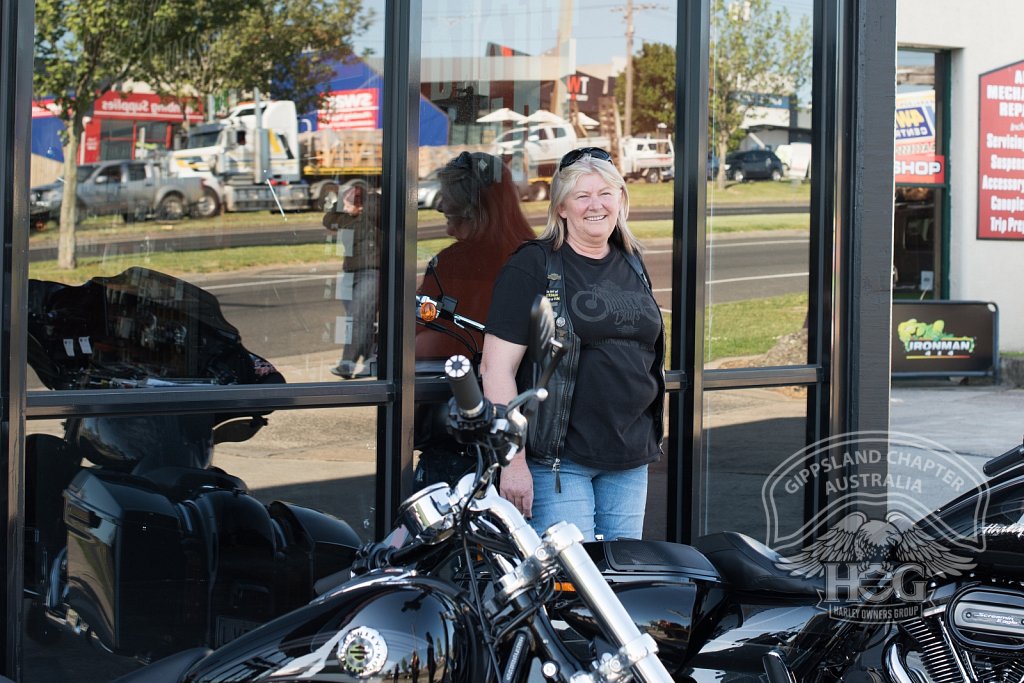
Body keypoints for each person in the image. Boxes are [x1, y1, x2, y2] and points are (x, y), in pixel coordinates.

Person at [480, 147, 665, 541]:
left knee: (618, 584)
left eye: (605, 194)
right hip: (560, 463)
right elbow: (496, 369)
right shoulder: (532, 266)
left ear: (621, 200)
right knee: (572, 588)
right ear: (561, 207)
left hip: (629, 458)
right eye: (582, 196)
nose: (595, 205)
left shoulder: (632, 261)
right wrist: (513, 460)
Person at [414, 151, 535, 487]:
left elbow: (430, 343)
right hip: (529, 430)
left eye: (447, 197)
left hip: (461, 435)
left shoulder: (451, 265)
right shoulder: (538, 255)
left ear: (472, 205)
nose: (439, 207)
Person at [324, 181, 381, 378]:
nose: (345, 208)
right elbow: (328, 220)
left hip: (371, 271)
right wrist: (342, 199)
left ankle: (347, 362)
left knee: (358, 317)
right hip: (349, 272)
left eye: (349, 204)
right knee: (360, 318)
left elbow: (377, 211)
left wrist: (368, 197)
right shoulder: (346, 219)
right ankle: (372, 359)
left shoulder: (373, 217)